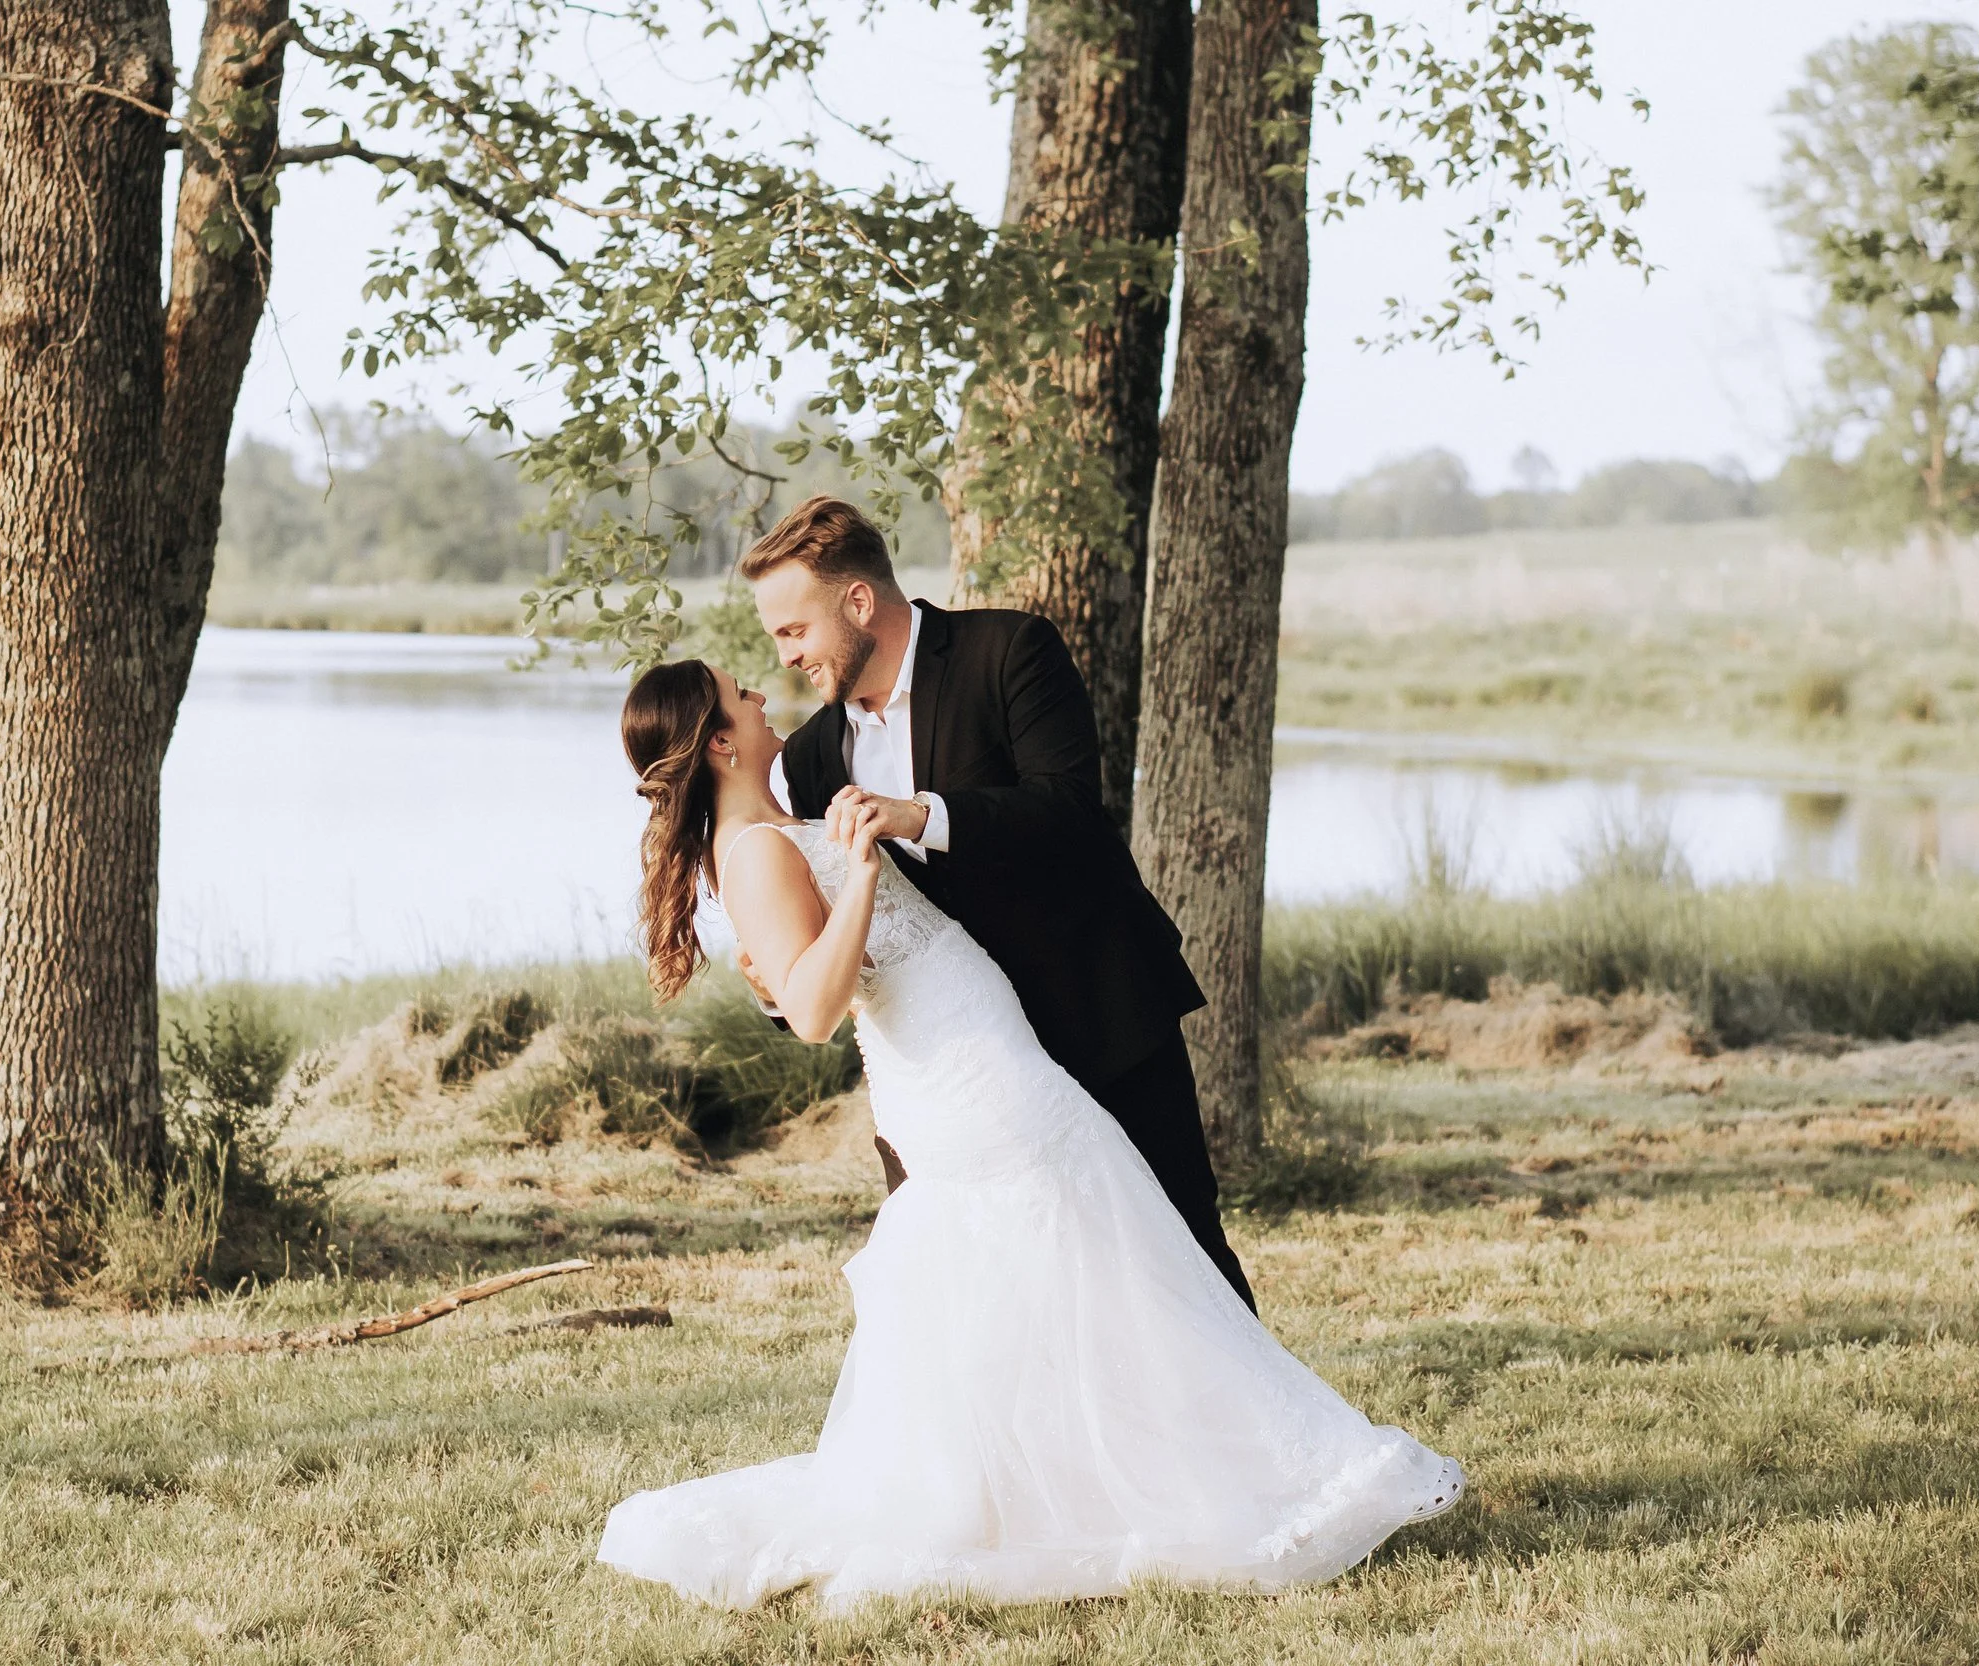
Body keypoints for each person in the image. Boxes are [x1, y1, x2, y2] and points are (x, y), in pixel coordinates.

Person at [595, 645, 1464, 1610]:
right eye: (739, 696)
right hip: (965, 1082)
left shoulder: (772, 823)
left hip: (981, 1060)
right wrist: (869, 873)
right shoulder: (755, 846)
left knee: (1074, 1258)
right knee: (1093, 1241)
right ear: (719, 741)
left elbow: (803, 962)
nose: (761, 696)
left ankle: (1067, 1478)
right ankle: (1181, 1479)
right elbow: (807, 1009)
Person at [738, 494, 1255, 1307]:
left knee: (1179, 1249)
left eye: (793, 631)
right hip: (948, 1069)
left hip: (1094, 1012)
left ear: (858, 601)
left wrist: (924, 814)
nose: (787, 657)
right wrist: (779, 982)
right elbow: (833, 924)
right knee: (982, 1292)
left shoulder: (1010, 650)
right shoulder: (809, 758)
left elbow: (1070, 809)